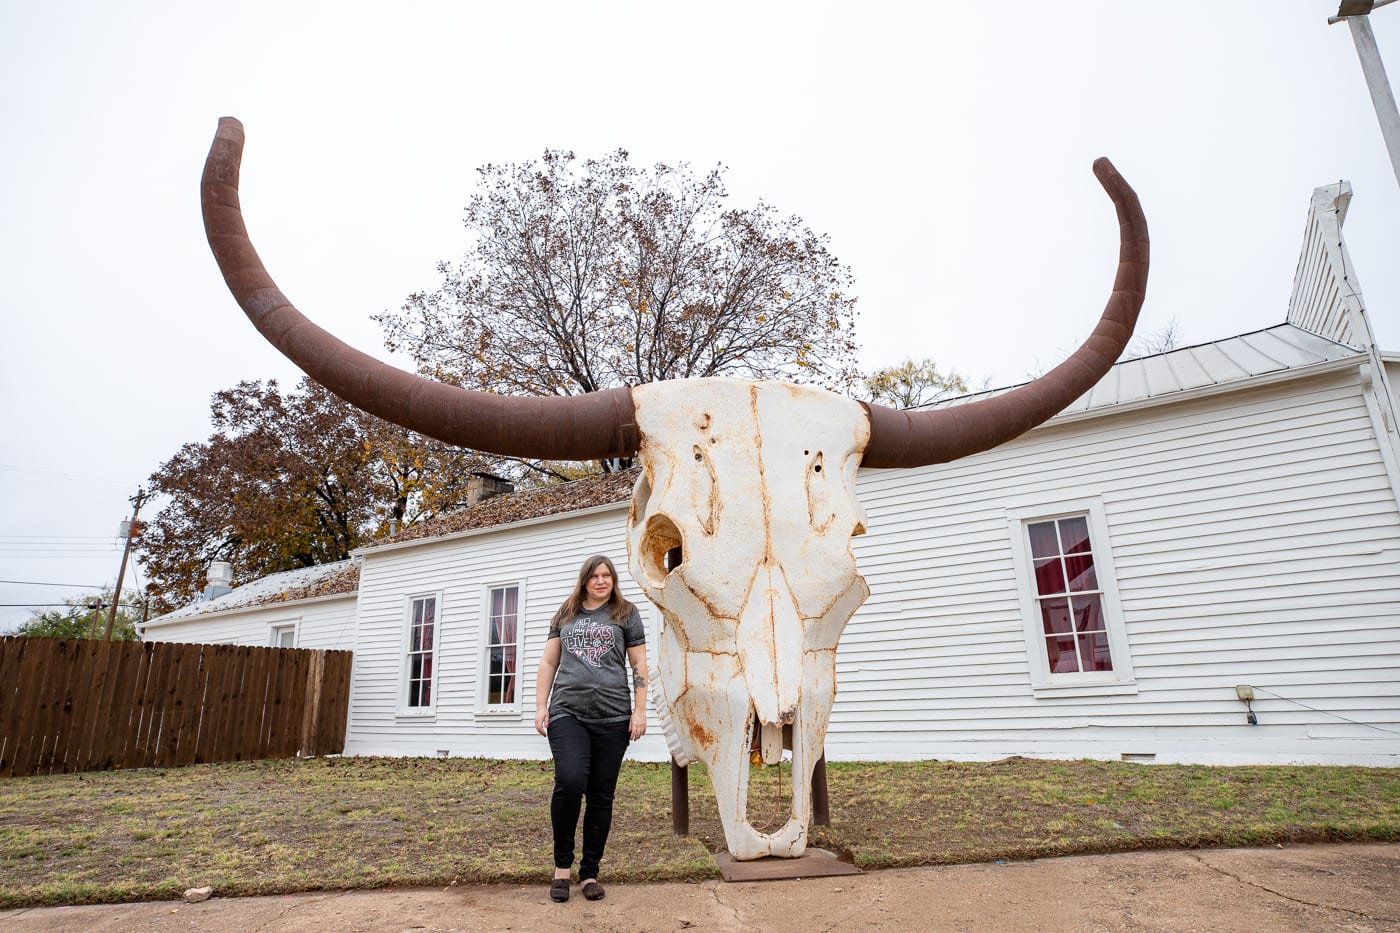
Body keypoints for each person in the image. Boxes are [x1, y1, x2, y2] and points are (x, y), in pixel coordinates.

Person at [534, 555, 648, 903]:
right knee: (569, 783)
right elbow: (549, 660)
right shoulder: (566, 613)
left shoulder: (626, 613)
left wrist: (640, 711)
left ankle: (590, 873)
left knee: (601, 795)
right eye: (595, 576)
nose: (601, 581)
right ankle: (562, 869)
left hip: (613, 717)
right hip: (568, 713)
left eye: (607, 576)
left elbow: (639, 663)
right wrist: (541, 705)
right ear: (584, 580)